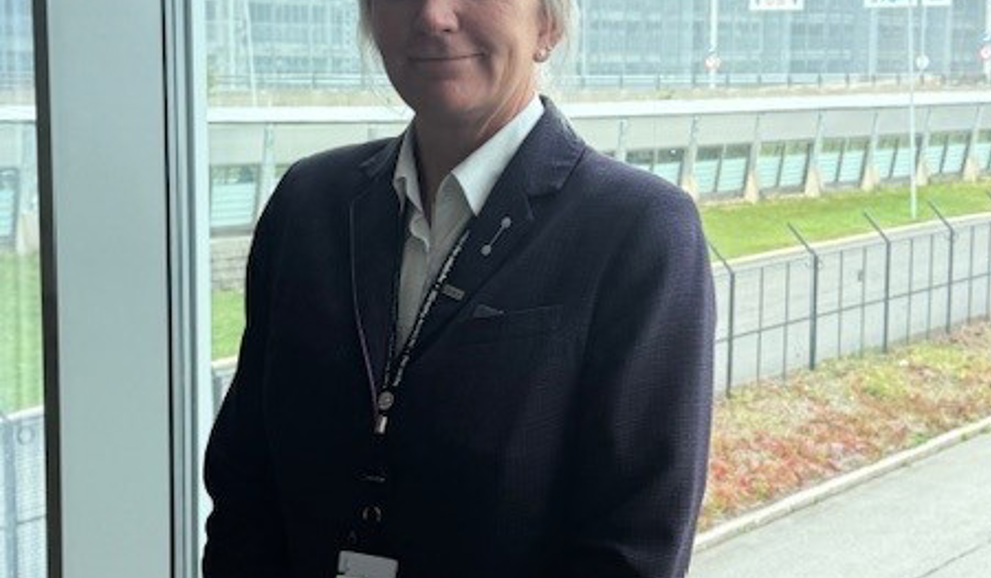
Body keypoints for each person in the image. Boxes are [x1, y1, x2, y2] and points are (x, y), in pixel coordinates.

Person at [202, 0, 716, 576]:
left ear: (546, 25)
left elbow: (634, 545)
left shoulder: (637, 231)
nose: (433, 16)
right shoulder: (309, 204)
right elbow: (245, 478)